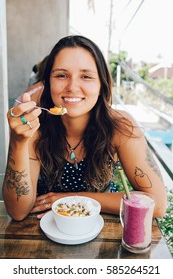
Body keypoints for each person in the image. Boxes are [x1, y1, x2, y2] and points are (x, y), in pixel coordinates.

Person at [2, 35, 167, 221]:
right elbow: (18, 211)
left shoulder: (120, 126)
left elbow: (157, 204)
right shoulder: (35, 124)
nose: (72, 87)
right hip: (44, 228)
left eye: (86, 76)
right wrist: (18, 141)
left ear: (101, 84)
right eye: (61, 75)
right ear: (47, 83)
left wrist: (73, 199)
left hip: (104, 228)